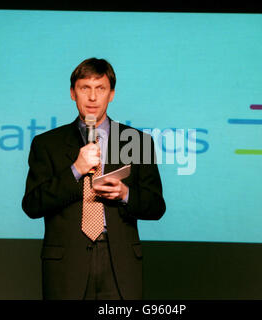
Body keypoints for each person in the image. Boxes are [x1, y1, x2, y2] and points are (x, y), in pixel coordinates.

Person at [21, 57, 166, 300]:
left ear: (111, 94)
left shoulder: (137, 141)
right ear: (72, 93)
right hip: (66, 266)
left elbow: (156, 206)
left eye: (100, 89)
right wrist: (75, 170)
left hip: (119, 263)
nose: (92, 97)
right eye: (84, 88)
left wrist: (124, 194)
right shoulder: (47, 144)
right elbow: (32, 205)